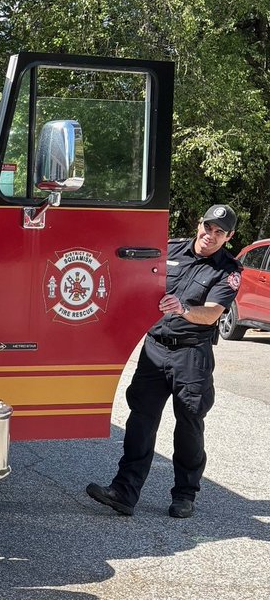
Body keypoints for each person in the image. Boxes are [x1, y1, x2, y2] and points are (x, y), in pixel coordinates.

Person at [88, 204, 243, 519]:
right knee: (140, 421)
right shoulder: (169, 248)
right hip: (155, 348)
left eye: (219, 232)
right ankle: (124, 492)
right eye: (207, 227)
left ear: (229, 237)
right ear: (199, 223)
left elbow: (213, 313)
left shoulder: (229, 271)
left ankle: (185, 495)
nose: (210, 236)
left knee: (188, 425)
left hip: (192, 354)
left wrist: (183, 309)